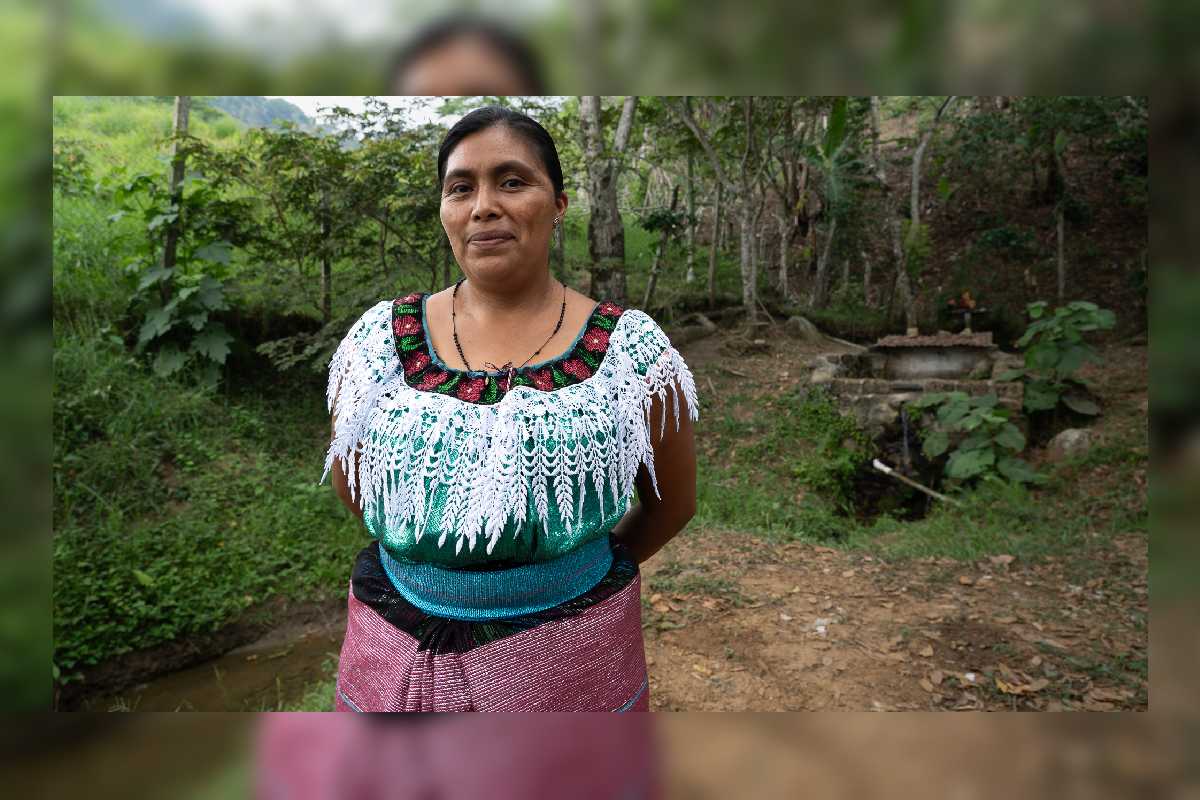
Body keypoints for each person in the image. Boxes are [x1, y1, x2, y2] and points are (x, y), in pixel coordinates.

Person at [320, 105, 699, 712]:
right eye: (460, 188)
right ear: (444, 210)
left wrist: (559, 576)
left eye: (513, 181)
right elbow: (355, 485)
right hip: (393, 652)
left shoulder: (632, 351)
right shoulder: (379, 340)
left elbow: (672, 503)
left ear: (560, 203)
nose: (483, 206)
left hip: (572, 661)